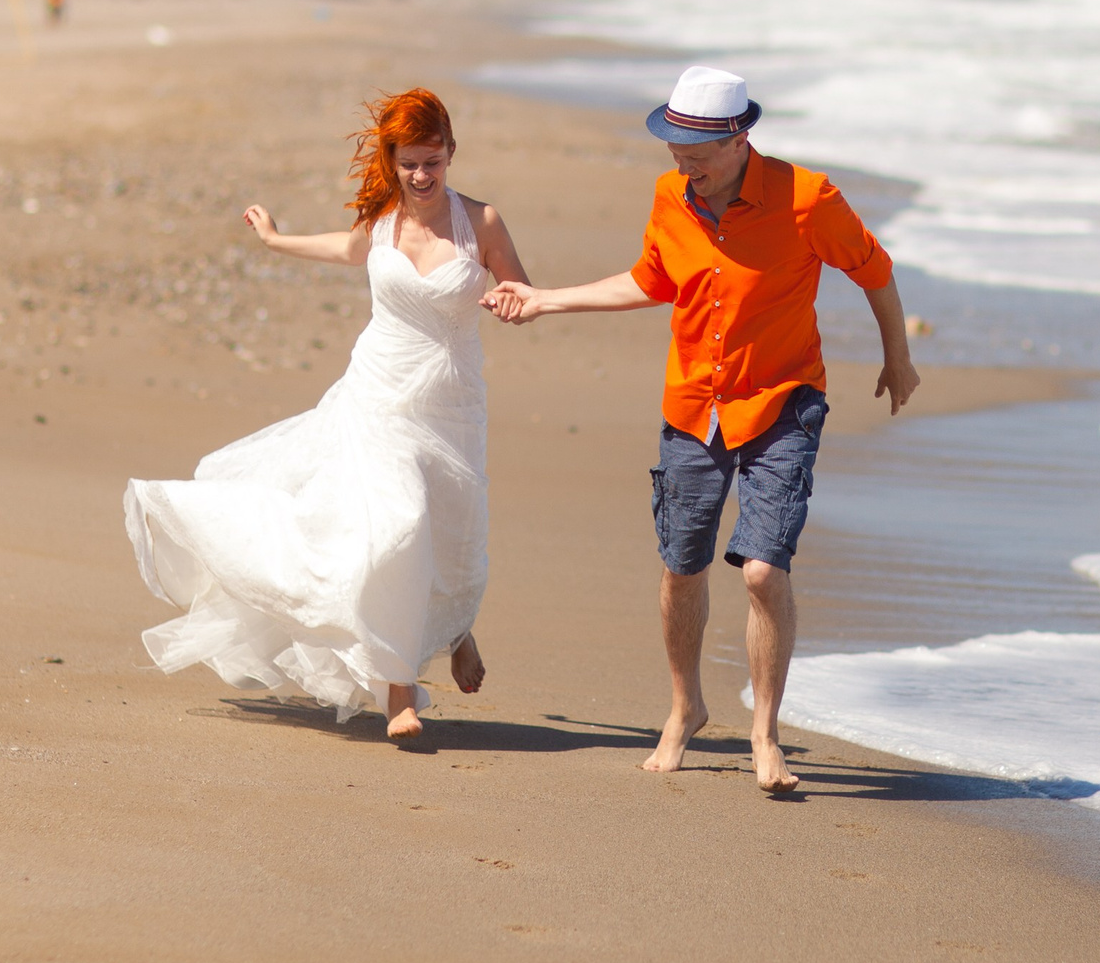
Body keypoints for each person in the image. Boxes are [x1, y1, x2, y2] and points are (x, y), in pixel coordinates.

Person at [483, 66, 918, 792]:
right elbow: (651, 280)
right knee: (681, 567)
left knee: (762, 570)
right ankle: (686, 708)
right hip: (693, 405)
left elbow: (874, 270)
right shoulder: (670, 196)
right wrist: (545, 299)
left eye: (697, 155)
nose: (684, 167)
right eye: (675, 152)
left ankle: (765, 732)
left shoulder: (807, 199)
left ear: (739, 138)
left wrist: (897, 357)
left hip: (783, 403)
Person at [125, 88, 530, 742]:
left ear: (451, 152)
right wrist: (275, 240)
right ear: (392, 160)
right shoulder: (384, 221)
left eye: (431, 162)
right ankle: (398, 691)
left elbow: (519, 289)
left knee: (449, 528)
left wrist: (512, 301)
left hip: (450, 402)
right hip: (376, 393)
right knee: (396, 525)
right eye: (408, 164)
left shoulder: (481, 223)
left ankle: (456, 630)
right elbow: (347, 249)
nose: (420, 176)